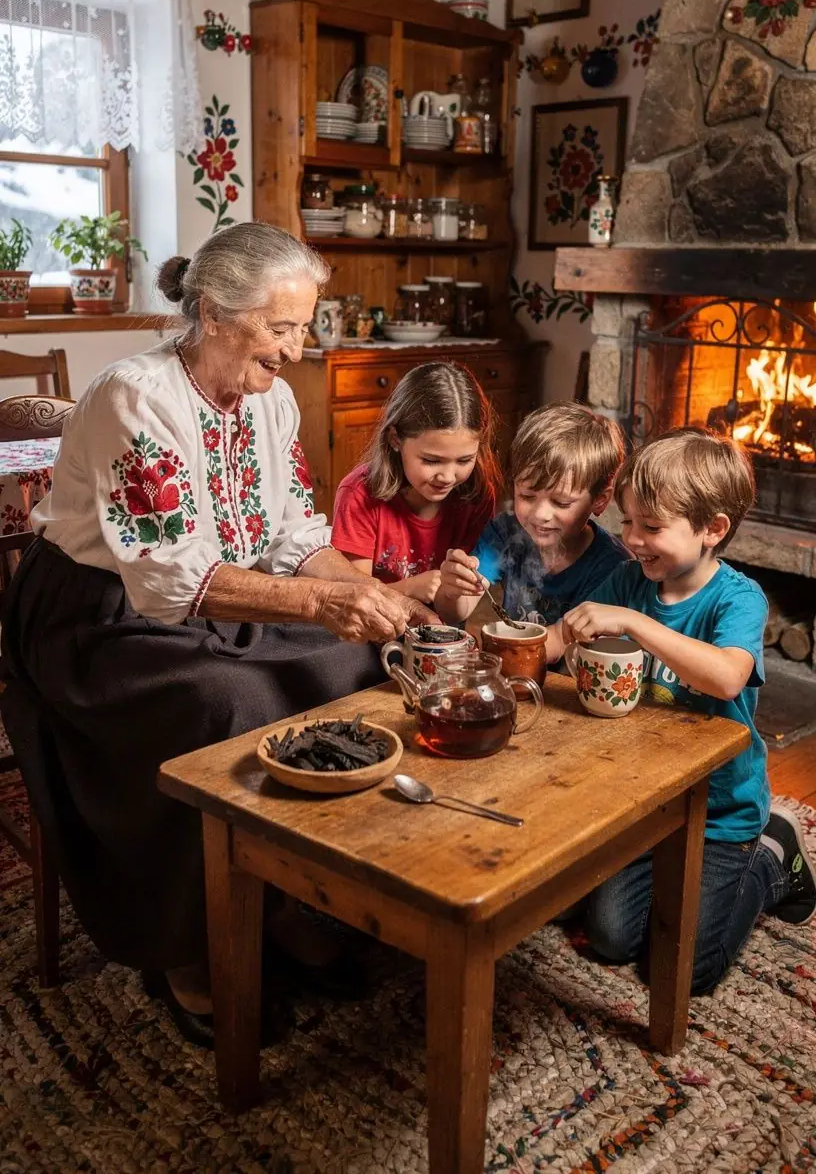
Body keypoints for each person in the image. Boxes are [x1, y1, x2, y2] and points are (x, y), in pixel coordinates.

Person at [1, 223, 430, 1039]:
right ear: (211, 312)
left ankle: (277, 900)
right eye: (282, 328)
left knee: (357, 663)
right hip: (93, 617)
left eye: (303, 328)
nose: (296, 352)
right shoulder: (137, 395)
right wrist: (321, 606)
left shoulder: (269, 399)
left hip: (220, 598)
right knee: (229, 702)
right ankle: (186, 945)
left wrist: (377, 602)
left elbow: (296, 537)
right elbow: (168, 578)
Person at [556, 427, 816, 994]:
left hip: (721, 813)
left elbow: (726, 677)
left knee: (683, 973)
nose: (631, 539)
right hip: (643, 803)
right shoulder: (627, 580)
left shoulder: (738, 597)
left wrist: (634, 623)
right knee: (611, 937)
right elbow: (563, 644)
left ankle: (775, 852)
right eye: (627, 522)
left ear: (712, 530)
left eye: (651, 527)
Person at [435, 402, 628, 629]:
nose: (540, 514)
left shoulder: (615, 568)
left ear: (600, 500)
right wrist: (452, 592)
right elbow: (455, 614)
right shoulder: (505, 533)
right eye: (527, 496)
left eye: (561, 502)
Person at [331, 363, 499, 607]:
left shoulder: (477, 498)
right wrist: (409, 589)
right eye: (431, 460)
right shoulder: (358, 494)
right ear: (395, 439)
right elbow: (353, 599)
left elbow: (456, 614)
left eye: (464, 460)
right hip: (369, 635)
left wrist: (452, 590)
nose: (448, 477)